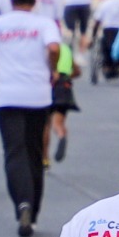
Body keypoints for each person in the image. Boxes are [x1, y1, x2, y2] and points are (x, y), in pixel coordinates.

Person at [0, 0, 61, 237]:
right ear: (34, 1)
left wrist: (2, 58)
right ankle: (33, 213)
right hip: (38, 96)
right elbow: (55, 48)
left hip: (8, 96)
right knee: (35, 152)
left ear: (11, 0)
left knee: (14, 152)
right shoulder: (44, 24)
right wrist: (52, 68)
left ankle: (21, 203)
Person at [45, 36, 80, 166]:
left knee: (45, 126)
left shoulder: (46, 48)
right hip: (65, 87)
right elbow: (77, 71)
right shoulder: (65, 49)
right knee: (58, 122)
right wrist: (65, 76)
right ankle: (61, 135)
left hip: (50, 86)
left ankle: (45, 158)